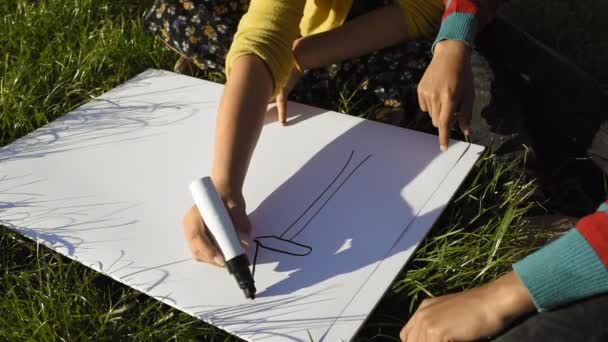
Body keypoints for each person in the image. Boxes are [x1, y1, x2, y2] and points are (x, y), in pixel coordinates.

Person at [145, 1, 608, 341]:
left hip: (408, 28)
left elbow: (427, 10)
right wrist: (226, 182)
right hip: (331, 29)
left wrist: (451, 44)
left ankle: (534, 208)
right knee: (184, 14)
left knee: (487, 97)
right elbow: (264, 34)